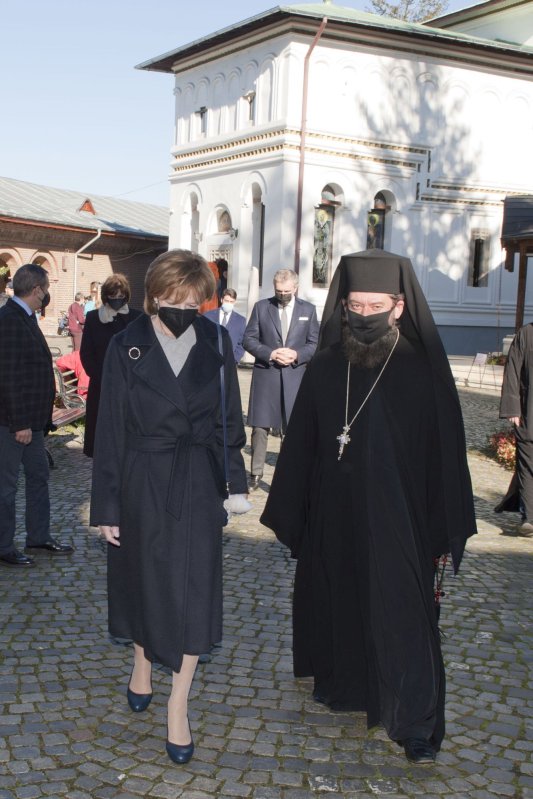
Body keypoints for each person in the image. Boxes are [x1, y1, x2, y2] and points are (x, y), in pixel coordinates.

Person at [260, 249, 476, 764]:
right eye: (354, 306)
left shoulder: (421, 367)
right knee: (342, 597)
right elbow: (305, 442)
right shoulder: (330, 362)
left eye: (375, 305)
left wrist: (440, 527)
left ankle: (416, 724)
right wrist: (298, 509)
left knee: (403, 612)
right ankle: (350, 688)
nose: (363, 315)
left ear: (399, 306)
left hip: (400, 516)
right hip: (335, 512)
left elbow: (443, 452)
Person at [89, 249, 248, 764]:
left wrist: (235, 485)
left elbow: (229, 421)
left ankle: (178, 703)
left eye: (191, 300)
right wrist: (106, 506)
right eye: (170, 298)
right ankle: (140, 658)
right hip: (141, 478)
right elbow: (109, 429)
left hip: (197, 480)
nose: (181, 308)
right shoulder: (125, 346)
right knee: (143, 577)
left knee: (193, 590)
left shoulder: (216, 340)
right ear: (153, 296)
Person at [0, 264, 74, 567]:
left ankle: (38, 536)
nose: (47, 294)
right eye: (46, 288)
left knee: (39, 477)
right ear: (36, 290)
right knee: (6, 487)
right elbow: (8, 376)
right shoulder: (10, 320)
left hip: (32, 423)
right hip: (13, 424)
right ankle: (3, 546)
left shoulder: (25, 317)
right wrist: (19, 424)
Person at [243, 268, 319, 491]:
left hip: (295, 376)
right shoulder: (262, 307)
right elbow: (249, 339)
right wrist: (270, 353)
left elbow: (314, 343)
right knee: (260, 427)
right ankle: (255, 474)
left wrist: (297, 355)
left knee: (292, 428)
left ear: (295, 288)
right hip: (267, 373)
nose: (282, 294)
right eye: (278, 290)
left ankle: (289, 473)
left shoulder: (309, 310)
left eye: (286, 291)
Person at [80, 273, 142, 457]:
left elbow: (142, 352)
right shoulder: (93, 318)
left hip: (129, 386)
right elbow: (86, 353)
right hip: (101, 385)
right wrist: (102, 375)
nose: (117, 300)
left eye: (120, 296)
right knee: (102, 439)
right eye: (113, 296)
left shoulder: (136, 318)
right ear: (106, 296)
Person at [496, 322, 533, 536]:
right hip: (528, 414)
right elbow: (512, 370)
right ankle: (529, 518)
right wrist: (512, 408)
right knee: (527, 466)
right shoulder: (526, 334)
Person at [203, 288, 246, 363]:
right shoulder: (208, 316)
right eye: (226, 301)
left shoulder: (241, 320)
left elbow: (242, 343)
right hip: (209, 361)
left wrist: (234, 359)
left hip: (230, 363)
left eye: (231, 302)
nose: (229, 304)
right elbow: (202, 337)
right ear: (221, 300)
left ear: (234, 302)